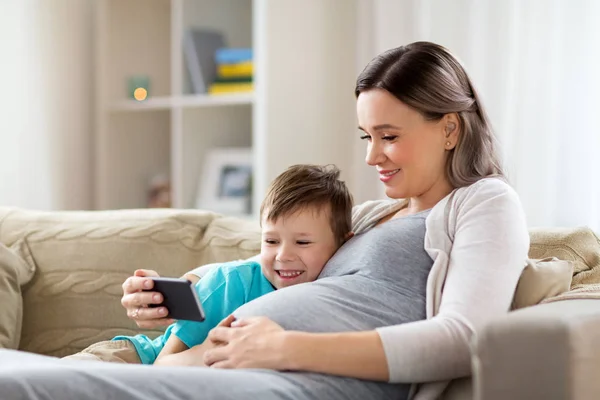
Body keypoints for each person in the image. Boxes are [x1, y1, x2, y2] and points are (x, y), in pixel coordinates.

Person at [0, 41, 529, 400]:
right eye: (367, 137)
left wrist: (285, 346)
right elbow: (264, 271)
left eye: (390, 136)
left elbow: (463, 338)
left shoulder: (483, 203)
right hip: (222, 366)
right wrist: (176, 297)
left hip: (298, 379)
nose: (372, 157)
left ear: (451, 130)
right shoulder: (371, 215)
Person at [67, 164, 354, 366]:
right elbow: (164, 365)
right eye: (270, 241)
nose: (282, 256)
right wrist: (209, 352)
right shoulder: (230, 282)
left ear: (343, 243)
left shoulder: (332, 296)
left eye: (302, 243)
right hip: (137, 359)